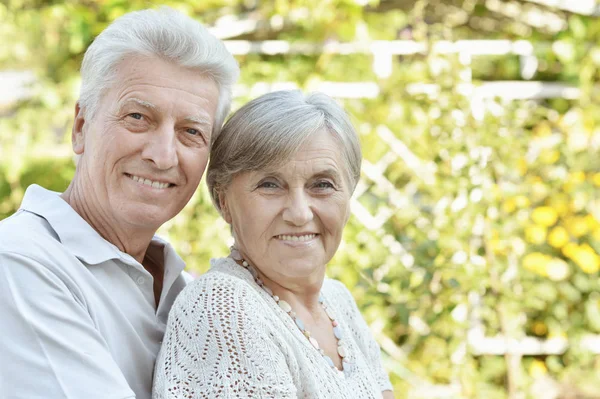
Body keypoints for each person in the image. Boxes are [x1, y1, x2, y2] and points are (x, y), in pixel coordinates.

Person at [0, 7, 239, 399]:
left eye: (191, 132)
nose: (163, 156)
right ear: (81, 127)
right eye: (138, 117)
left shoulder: (187, 291)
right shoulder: (19, 264)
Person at [153, 90, 395, 398]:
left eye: (322, 185)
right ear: (223, 200)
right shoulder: (223, 307)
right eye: (270, 185)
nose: (299, 213)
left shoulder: (337, 302)